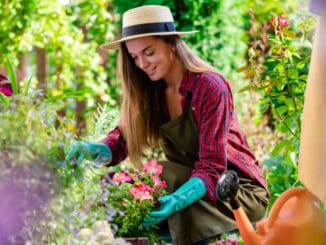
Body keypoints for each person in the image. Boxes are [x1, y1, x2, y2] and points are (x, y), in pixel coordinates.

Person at [65, 5, 269, 245]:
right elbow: (122, 141)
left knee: (165, 177)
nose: (142, 64)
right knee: (125, 198)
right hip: (187, 184)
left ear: (172, 43)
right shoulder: (152, 90)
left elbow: (213, 168)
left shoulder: (210, 88)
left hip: (236, 191)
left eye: (149, 52)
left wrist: (176, 200)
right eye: (134, 57)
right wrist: (92, 149)